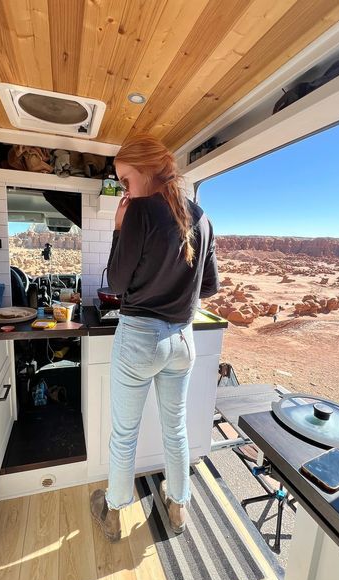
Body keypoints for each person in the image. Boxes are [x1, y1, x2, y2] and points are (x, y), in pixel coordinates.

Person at [90, 134, 219, 542]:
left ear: (146, 171)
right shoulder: (202, 218)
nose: (125, 189)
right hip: (183, 341)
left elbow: (116, 280)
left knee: (124, 433)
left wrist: (118, 229)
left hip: (140, 338)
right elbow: (209, 287)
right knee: (175, 429)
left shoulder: (140, 213)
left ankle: (113, 512)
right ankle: (178, 505)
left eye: (125, 180)